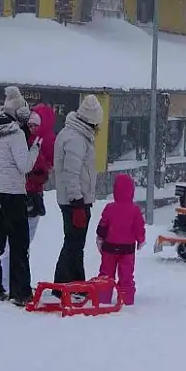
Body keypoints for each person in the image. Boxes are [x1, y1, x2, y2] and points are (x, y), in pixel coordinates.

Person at [0, 86, 41, 306]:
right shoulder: (14, 132)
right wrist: (35, 148)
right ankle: (20, 292)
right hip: (12, 194)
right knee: (19, 244)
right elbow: (24, 166)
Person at [0, 104, 56, 293]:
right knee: (19, 244)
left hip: (26, 196)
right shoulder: (35, 142)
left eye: (35, 125)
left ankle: (11, 281)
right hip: (25, 196)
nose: (32, 128)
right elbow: (37, 169)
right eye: (30, 125)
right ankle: (11, 283)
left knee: (18, 243)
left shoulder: (30, 139)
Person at [52, 94, 103, 295]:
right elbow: (71, 174)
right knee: (73, 243)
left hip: (75, 199)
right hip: (75, 200)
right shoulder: (75, 139)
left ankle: (72, 284)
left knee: (74, 243)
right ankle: (64, 285)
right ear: (90, 121)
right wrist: (78, 202)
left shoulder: (75, 135)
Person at [95, 174, 146, 306]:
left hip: (109, 247)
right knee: (126, 275)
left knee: (106, 273)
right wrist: (141, 240)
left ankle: (104, 298)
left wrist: (100, 238)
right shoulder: (135, 210)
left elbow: (103, 225)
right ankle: (126, 298)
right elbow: (139, 228)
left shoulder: (109, 208)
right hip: (127, 249)